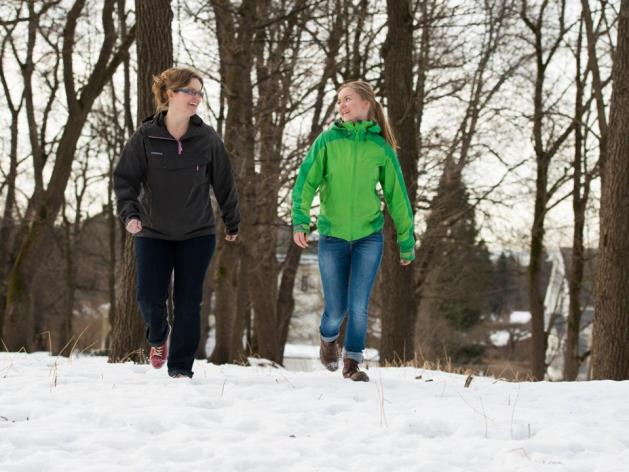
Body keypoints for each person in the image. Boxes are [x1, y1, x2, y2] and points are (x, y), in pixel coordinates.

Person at [113, 67, 240, 379]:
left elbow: (224, 183)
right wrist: (130, 214)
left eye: (199, 92)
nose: (196, 97)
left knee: (188, 302)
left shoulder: (207, 138)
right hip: (152, 232)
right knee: (148, 297)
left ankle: (181, 368)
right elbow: (125, 179)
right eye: (190, 91)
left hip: (197, 233)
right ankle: (157, 336)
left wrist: (232, 222)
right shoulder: (146, 136)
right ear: (170, 94)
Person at [291, 80, 415, 382]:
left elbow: (397, 195)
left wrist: (406, 241)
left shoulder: (380, 147)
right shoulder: (327, 141)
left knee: (359, 305)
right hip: (332, 236)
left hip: (368, 237)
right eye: (339, 100)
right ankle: (328, 340)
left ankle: (353, 363)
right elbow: (307, 181)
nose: (341, 105)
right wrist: (300, 220)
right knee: (336, 308)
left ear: (366, 104)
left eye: (347, 99)